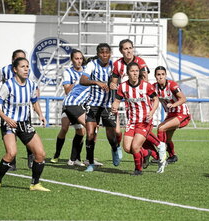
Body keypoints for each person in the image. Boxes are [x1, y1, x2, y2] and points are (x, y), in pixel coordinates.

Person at [0, 57, 50, 192]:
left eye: (27, 66)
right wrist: (6, 118)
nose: (26, 69)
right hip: (10, 124)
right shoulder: (8, 85)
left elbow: (34, 102)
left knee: (40, 154)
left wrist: (41, 115)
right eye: (23, 66)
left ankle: (35, 184)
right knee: (11, 153)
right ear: (15, 70)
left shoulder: (31, 85)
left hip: (24, 124)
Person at [110, 39, 166, 168]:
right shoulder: (118, 64)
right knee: (129, 146)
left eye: (130, 48)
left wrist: (139, 92)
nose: (128, 51)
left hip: (143, 106)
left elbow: (145, 81)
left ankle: (156, 150)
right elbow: (113, 83)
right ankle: (148, 152)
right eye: (125, 48)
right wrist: (113, 86)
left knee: (138, 139)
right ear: (121, 51)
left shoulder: (140, 62)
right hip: (129, 106)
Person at [0, 49, 34, 170]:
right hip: (8, 111)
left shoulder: (26, 71)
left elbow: (31, 87)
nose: (24, 65)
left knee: (28, 134)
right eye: (19, 59)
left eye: (24, 59)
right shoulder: (4, 71)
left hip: (24, 112)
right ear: (13, 61)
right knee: (11, 136)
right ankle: (11, 161)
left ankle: (31, 156)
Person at [80, 43, 122, 172]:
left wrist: (113, 85)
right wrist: (97, 82)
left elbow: (118, 81)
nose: (104, 55)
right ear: (98, 54)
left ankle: (115, 148)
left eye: (107, 52)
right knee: (90, 134)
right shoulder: (92, 64)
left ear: (110, 54)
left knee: (111, 134)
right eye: (102, 52)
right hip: (93, 104)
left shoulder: (114, 66)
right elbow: (83, 80)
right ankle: (91, 163)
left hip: (108, 105)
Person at [50, 49, 87, 166]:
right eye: (76, 58)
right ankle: (57, 153)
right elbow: (67, 91)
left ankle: (75, 158)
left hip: (81, 105)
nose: (79, 61)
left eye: (81, 58)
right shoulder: (68, 72)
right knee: (65, 128)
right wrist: (76, 83)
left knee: (81, 131)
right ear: (72, 60)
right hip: (69, 105)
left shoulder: (87, 72)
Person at [153, 66, 191, 163]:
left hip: (181, 113)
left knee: (161, 128)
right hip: (171, 114)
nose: (161, 77)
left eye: (162, 74)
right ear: (155, 76)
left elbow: (183, 99)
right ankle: (172, 156)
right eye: (158, 75)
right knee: (167, 138)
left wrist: (173, 104)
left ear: (166, 75)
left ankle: (160, 157)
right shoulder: (154, 87)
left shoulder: (172, 85)